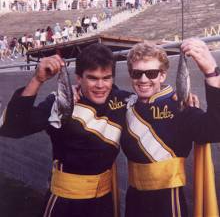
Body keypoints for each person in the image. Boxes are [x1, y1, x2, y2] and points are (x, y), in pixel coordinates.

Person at [0, 43, 130, 217]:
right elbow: (11, 128)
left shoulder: (121, 99)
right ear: (79, 78)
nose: (100, 85)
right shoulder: (60, 102)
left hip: (104, 202)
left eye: (106, 78)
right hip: (66, 203)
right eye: (92, 78)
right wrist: (37, 80)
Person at [120, 38, 220, 217]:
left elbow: (214, 129)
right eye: (137, 73)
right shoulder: (124, 103)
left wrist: (212, 73)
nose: (143, 79)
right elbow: (97, 89)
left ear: (162, 75)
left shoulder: (180, 104)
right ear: (130, 75)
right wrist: (74, 88)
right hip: (134, 199)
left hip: (168, 201)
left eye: (151, 73)